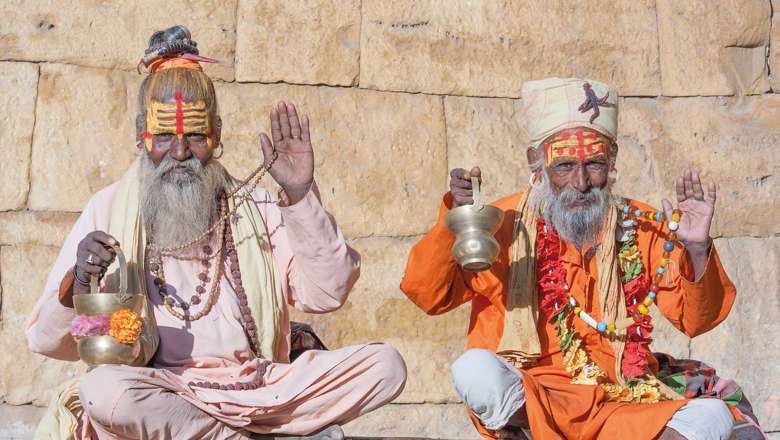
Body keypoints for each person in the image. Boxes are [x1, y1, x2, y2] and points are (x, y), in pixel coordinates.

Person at [27, 25, 406, 440]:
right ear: (142, 136)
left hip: (263, 389)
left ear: (217, 135)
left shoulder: (255, 206)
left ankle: (227, 431)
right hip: (163, 391)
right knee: (105, 391)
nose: (180, 152)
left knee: (386, 366)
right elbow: (50, 342)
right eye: (165, 136)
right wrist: (83, 281)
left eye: (194, 135)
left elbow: (327, 293)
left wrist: (299, 195)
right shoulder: (109, 209)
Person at [400, 77, 750, 439]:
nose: (581, 183)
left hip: (621, 402)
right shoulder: (502, 224)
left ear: (612, 160)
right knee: (474, 371)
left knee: (712, 418)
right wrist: (457, 221)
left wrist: (696, 247)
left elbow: (696, 321)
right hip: (535, 401)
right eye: (565, 166)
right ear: (536, 163)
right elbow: (427, 294)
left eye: (594, 164)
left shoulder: (640, 226)